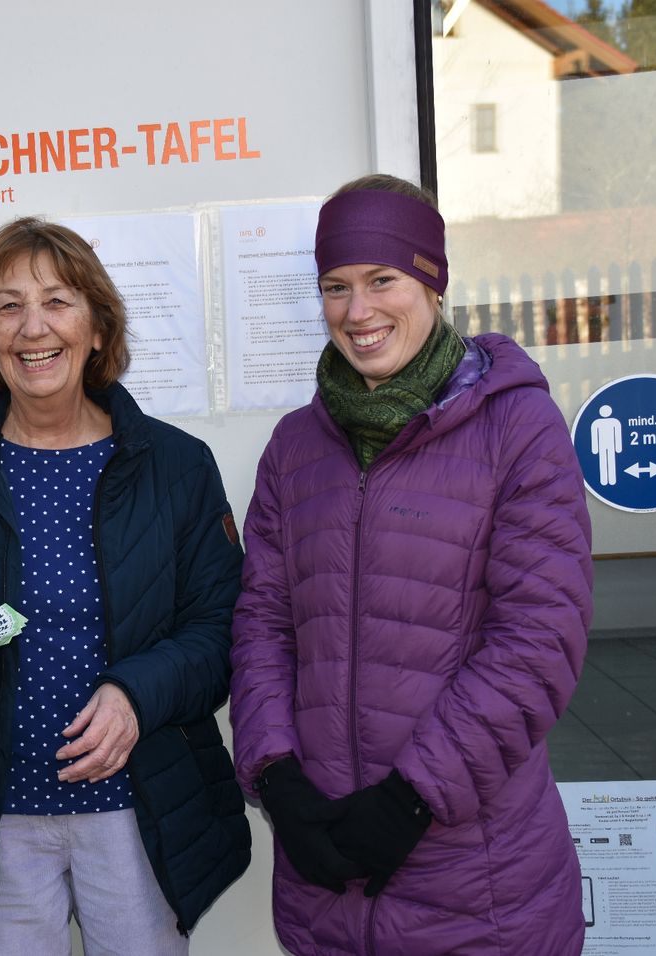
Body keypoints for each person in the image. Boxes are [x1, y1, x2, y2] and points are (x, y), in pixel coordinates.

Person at [0, 217, 250, 954]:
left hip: (139, 812)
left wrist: (138, 695)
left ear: (99, 328)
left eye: (59, 301)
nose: (33, 327)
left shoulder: (177, 465)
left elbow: (220, 631)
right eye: (8, 307)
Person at [229, 175, 593, 956]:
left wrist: (411, 801)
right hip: (327, 876)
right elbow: (262, 621)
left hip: (480, 885)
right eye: (335, 287)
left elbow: (538, 642)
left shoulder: (517, 427)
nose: (357, 313)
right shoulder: (297, 447)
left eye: (381, 280)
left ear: (432, 279)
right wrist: (277, 779)